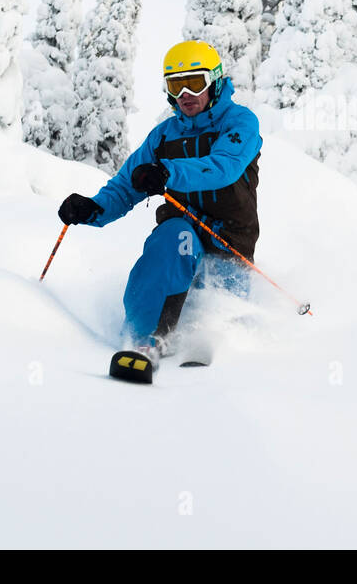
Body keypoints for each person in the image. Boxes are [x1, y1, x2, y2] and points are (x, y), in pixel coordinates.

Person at [57, 40, 262, 361]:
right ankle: (144, 342)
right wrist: (93, 209)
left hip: (229, 238)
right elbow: (126, 186)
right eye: (176, 86)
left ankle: (218, 361)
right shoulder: (163, 136)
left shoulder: (239, 123)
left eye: (195, 83)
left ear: (216, 81)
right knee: (172, 238)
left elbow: (225, 168)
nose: (186, 96)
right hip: (184, 230)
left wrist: (167, 172)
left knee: (222, 316)